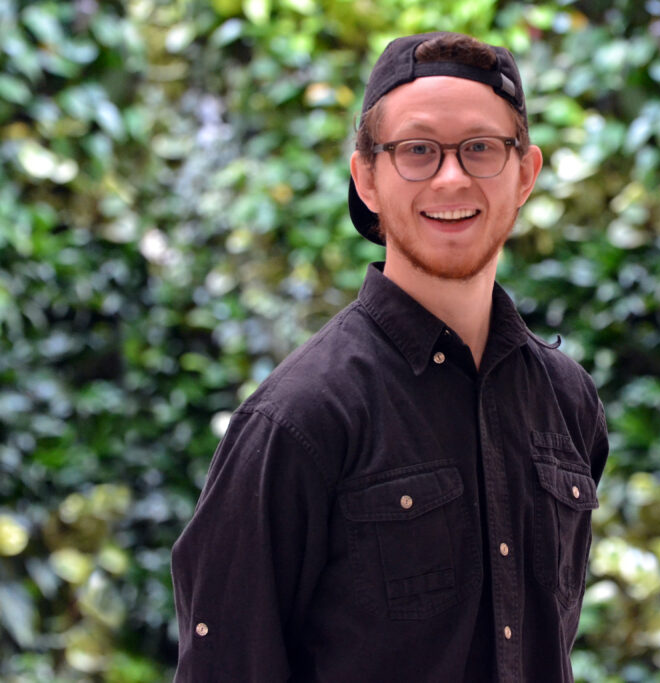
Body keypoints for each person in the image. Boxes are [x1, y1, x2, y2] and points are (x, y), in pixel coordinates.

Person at [171, 31, 608, 682]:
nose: (452, 176)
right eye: (417, 151)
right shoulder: (298, 418)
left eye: (481, 148)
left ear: (525, 175)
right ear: (366, 178)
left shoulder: (567, 401)